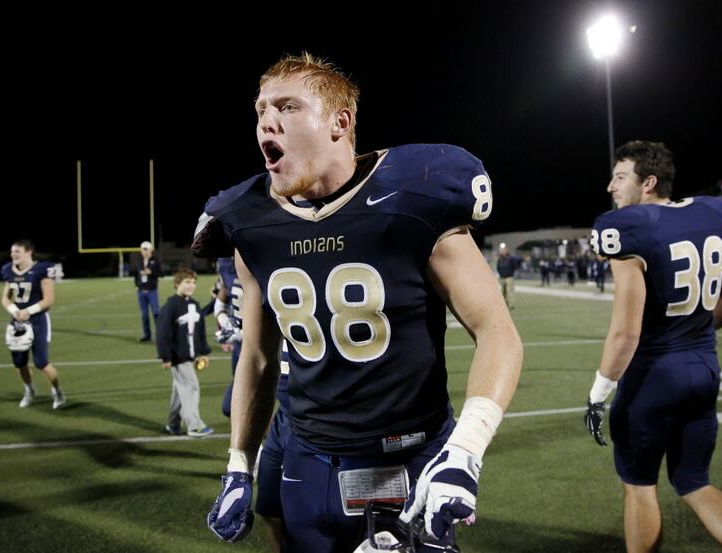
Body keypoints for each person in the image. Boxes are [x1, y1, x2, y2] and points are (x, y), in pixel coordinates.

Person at [195, 52, 523, 553]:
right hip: (308, 458)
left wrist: (466, 450)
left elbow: (497, 332)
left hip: (409, 456)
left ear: (339, 122)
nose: (266, 120)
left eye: (286, 106)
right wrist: (240, 462)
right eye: (260, 109)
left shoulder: (415, 195)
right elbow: (258, 358)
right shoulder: (249, 222)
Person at [584, 140, 722, 553]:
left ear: (648, 183)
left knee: (639, 487)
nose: (610, 187)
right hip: (704, 366)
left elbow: (626, 333)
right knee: (695, 483)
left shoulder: (630, 227)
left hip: (653, 375)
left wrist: (597, 394)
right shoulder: (712, 212)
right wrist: (693, 336)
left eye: (619, 177)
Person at [0, 240, 66, 409]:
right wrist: (15, 311)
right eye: (12, 251)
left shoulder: (41, 269)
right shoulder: (8, 270)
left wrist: (28, 311)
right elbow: (5, 298)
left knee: (41, 362)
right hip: (18, 320)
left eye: (17, 251)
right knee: (20, 363)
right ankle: (29, 390)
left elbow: (48, 300)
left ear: (29, 252)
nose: (13, 254)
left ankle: (57, 391)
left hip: (38, 319)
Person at [156, 267, 213, 437]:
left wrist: (202, 352)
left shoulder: (194, 305)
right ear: (177, 284)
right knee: (191, 387)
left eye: (194, 282)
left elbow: (200, 332)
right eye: (187, 282)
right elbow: (162, 333)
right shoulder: (171, 306)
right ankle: (194, 426)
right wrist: (165, 356)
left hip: (190, 356)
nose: (191, 286)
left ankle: (173, 424)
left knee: (180, 392)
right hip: (177, 357)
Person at [214, 256, 244, 417]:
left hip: (269, 350)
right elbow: (222, 298)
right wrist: (224, 322)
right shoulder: (227, 265)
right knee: (231, 407)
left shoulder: (264, 262)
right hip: (241, 351)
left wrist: (240, 334)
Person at [135, 240, 162, 342]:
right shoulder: (139, 261)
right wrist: (137, 285)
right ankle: (147, 335)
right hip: (141, 292)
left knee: (156, 313)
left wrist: (152, 272)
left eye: (147, 249)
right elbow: (136, 275)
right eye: (143, 249)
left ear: (151, 250)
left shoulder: (155, 260)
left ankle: (159, 334)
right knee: (144, 315)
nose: (145, 251)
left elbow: (161, 273)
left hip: (152, 291)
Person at [496, 244, 522, 309]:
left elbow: (518, 261)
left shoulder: (511, 258)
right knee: (503, 292)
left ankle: (511, 305)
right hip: (502, 277)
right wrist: (500, 273)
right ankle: (505, 304)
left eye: (504, 250)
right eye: (502, 250)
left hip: (509, 276)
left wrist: (513, 270)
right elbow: (498, 267)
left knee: (510, 290)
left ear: (506, 250)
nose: (503, 251)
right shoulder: (500, 258)